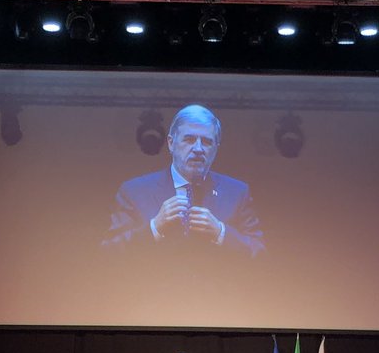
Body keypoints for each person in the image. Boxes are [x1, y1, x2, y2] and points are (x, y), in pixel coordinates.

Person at [101, 104, 264, 257]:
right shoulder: (135, 191)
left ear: (216, 148)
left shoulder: (236, 192)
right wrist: (154, 227)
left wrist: (221, 232)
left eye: (207, 142)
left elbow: (260, 254)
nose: (198, 149)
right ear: (171, 143)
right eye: (189, 140)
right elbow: (109, 253)